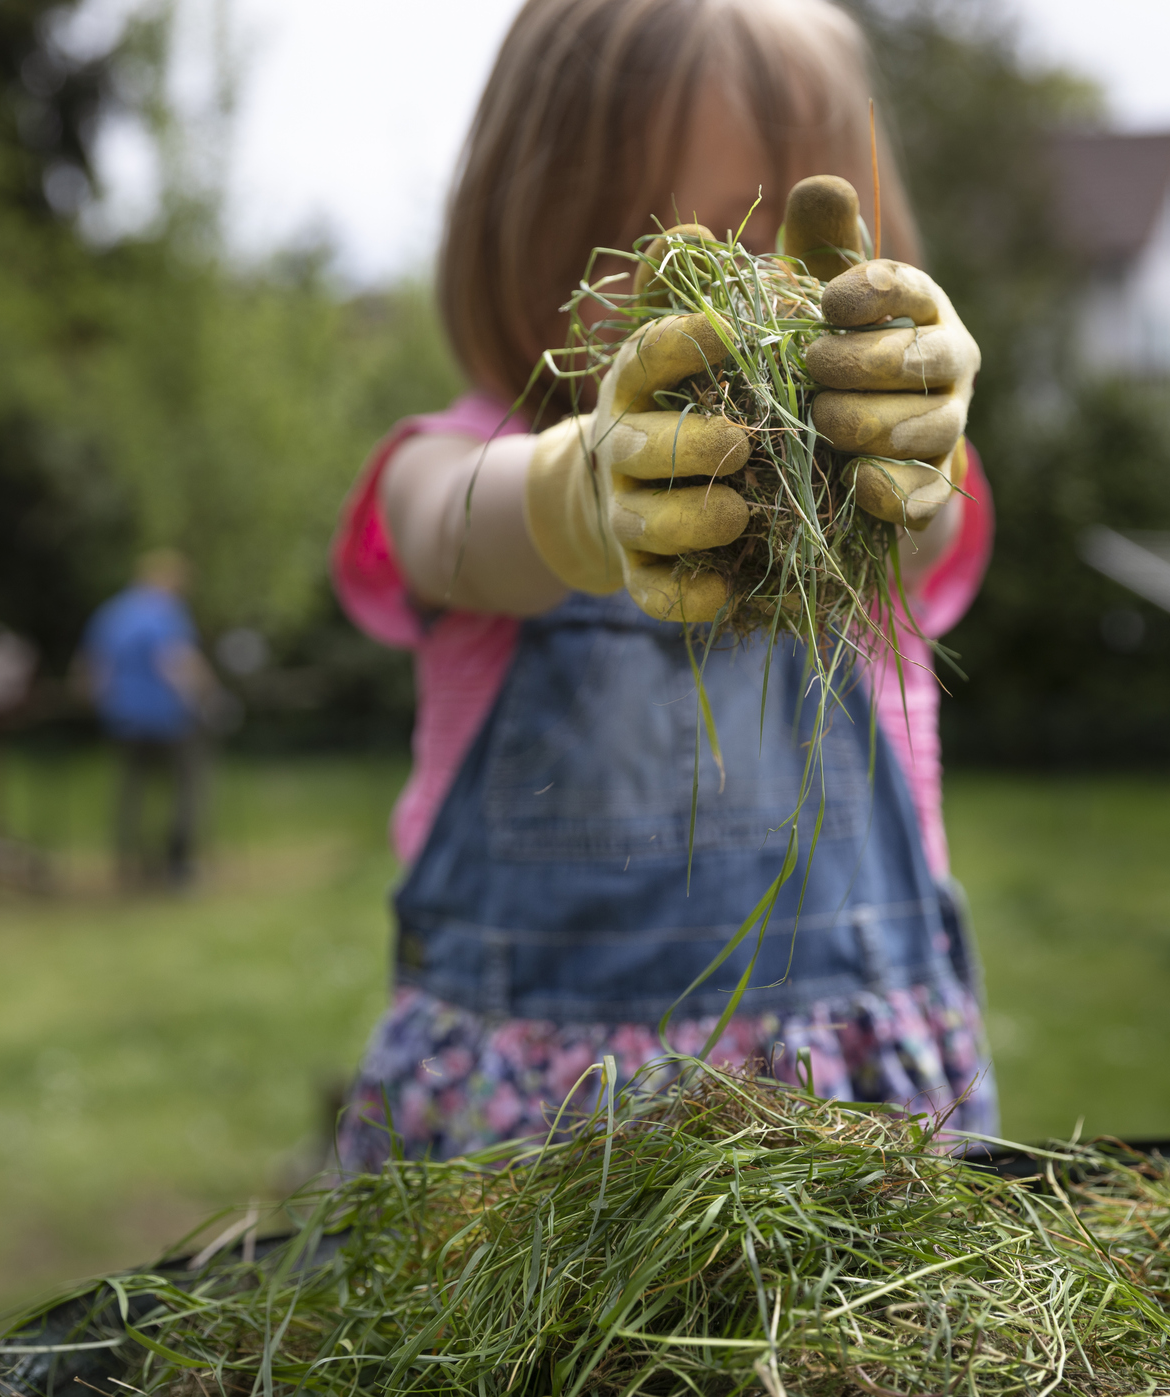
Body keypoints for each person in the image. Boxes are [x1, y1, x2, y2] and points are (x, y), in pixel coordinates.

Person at [331, 0, 997, 1170]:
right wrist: (576, 497)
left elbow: (918, 544)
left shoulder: (870, 483)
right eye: (647, 233)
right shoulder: (459, 463)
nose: (712, 292)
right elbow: (447, 525)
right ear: (526, 234)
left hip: (851, 1145)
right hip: (529, 1170)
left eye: (760, 239)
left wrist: (906, 439)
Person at [78, 549, 216, 888]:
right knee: (187, 787)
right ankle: (177, 864)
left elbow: (91, 672)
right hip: (167, 716)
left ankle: (129, 865)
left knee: (131, 790)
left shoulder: (111, 613)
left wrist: (103, 707)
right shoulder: (166, 612)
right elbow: (176, 663)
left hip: (122, 717)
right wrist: (210, 697)